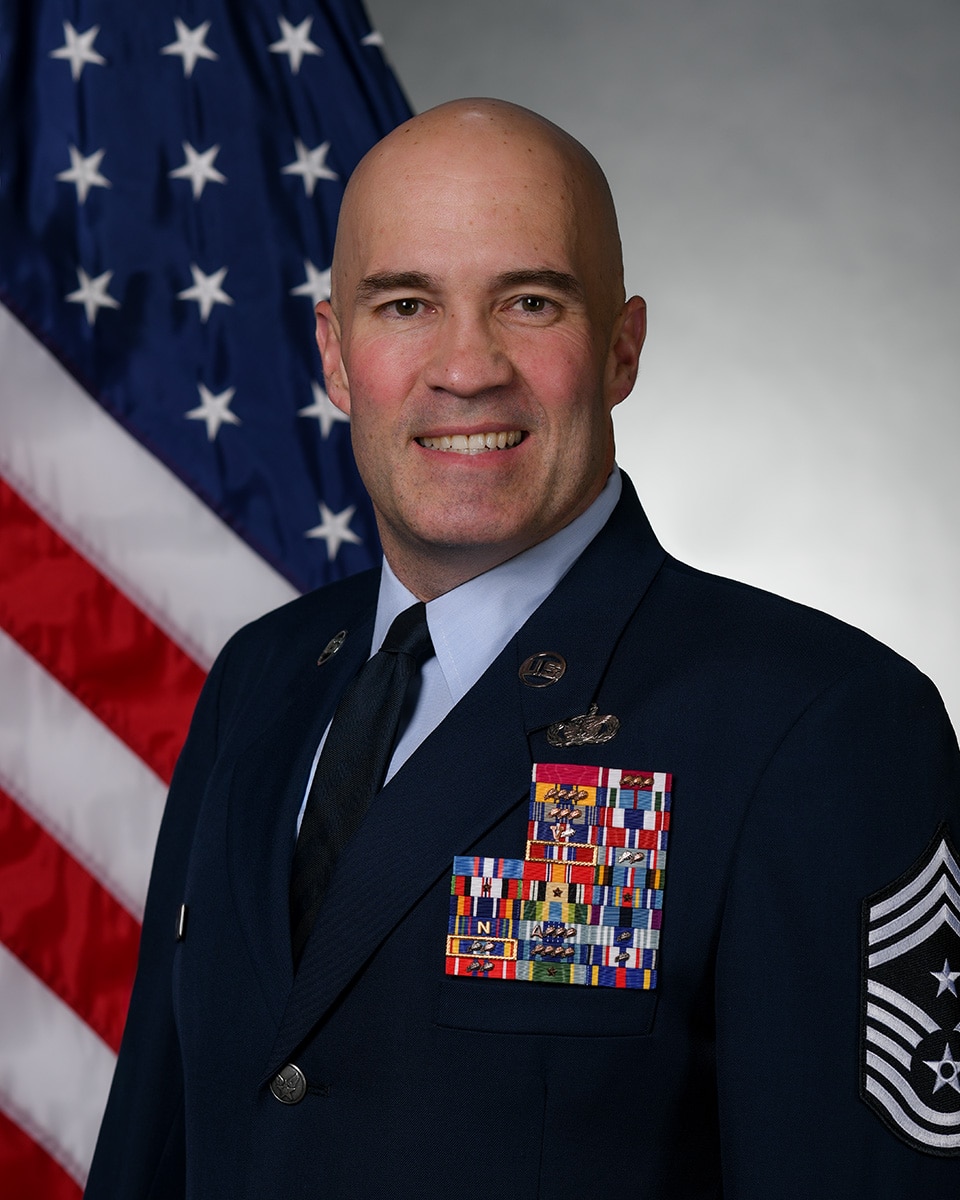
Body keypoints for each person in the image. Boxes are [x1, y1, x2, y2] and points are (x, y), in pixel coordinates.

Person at [85, 98, 960, 1198]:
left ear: (621, 347)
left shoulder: (817, 723)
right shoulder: (261, 679)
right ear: (337, 356)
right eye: (405, 303)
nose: (466, 368)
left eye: (530, 302)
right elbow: (154, 1155)